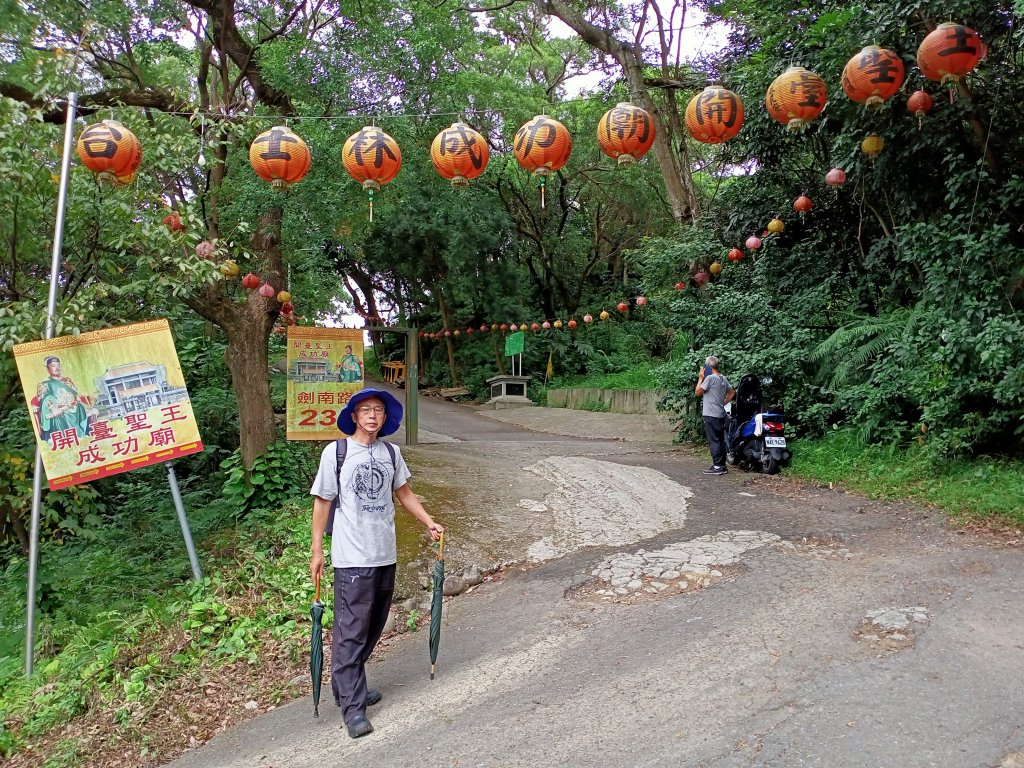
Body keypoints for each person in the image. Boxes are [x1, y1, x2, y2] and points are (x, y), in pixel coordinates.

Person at [309, 387, 443, 739]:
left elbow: (404, 493)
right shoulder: (336, 453)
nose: (372, 416)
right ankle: (353, 709)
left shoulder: (391, 452)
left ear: (385, 418)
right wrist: (316, 550)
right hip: (352, 558)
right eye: (365, 410)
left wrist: (428, 521)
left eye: (378, 411)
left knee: (372, 626)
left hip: (385, 554)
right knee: (352, 631)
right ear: (354, 416)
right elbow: (322, 502)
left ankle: (347, 683)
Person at [36, 356, 95, 440]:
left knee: (87, 411)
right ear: (48, 369)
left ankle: (87, 436)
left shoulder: (67, 380)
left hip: (75, 407)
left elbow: (76, 393)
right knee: (61, 417)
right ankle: (69, 439)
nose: (57, 368)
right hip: (60, 411)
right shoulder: (44, 384)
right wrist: (52, 407)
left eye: (58, 365)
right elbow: (43, 398)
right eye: (53, 366)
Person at [694, 355, 735, 475]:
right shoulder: (723, 378)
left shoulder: (710, 378)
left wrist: (700, 378)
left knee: (714, 440)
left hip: (710, 414)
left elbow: (697, 392)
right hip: (720, 414)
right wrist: (724, 402)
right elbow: (732, 393)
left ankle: (717, 466)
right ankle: (721, 464)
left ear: (708, 367)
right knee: (720, 440)